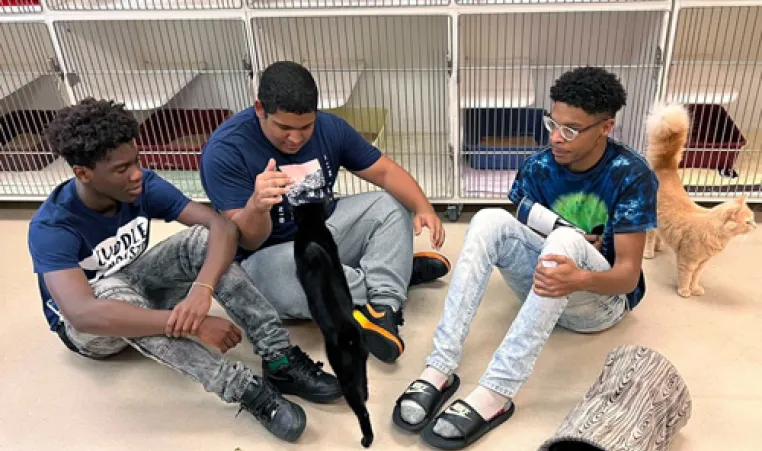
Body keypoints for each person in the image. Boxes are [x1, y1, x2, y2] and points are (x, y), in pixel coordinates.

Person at [27, 98, 345, 443]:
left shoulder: (142, 185)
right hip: (92, 329)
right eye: (121, 170)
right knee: (114, 298)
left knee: (202, 239)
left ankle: (279, 358)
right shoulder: (53, 226)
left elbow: (220, 227)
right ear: (83, 173)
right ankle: (245, 390)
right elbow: (83, 313)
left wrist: (201, 290)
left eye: (136, 161)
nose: (136, 174)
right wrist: (192, 323)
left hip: (136, 281)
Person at [392, 66, 659, 449]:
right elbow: (526, 232)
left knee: (565, 242)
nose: (555, 137)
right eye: (552, 122)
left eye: (571, 129)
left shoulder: (630, 174)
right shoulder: (538, 166)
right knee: (488, 219)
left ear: (606, 127)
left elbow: (628, 278)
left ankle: (496, 393)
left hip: (600, 301)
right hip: (544, 288)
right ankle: (439, 368)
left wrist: (579, 277)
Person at [200, 60, 452, 364]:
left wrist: (424, 208)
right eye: (283, 128)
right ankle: (389, 273)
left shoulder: (330, 127)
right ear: (259, 109)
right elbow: (249, 241)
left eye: (305, 127)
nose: (295, 138)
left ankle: (383, 307)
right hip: (266, 259)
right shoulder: (224, 150)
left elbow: (383, 171)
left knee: (389, 205)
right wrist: (256, 206)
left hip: (324, 228)